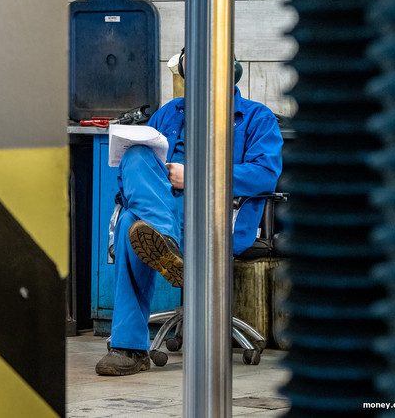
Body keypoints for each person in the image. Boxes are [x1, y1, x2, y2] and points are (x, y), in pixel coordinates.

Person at [95, 49, 284, 376]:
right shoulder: (167, 114)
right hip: (164, 209)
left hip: (217, 217)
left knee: (130, 224)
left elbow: (264, 175)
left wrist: (195, 175)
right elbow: (132, 177)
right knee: (135, 158)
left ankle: (129, 347)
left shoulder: (257, 117)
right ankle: (165, 241)